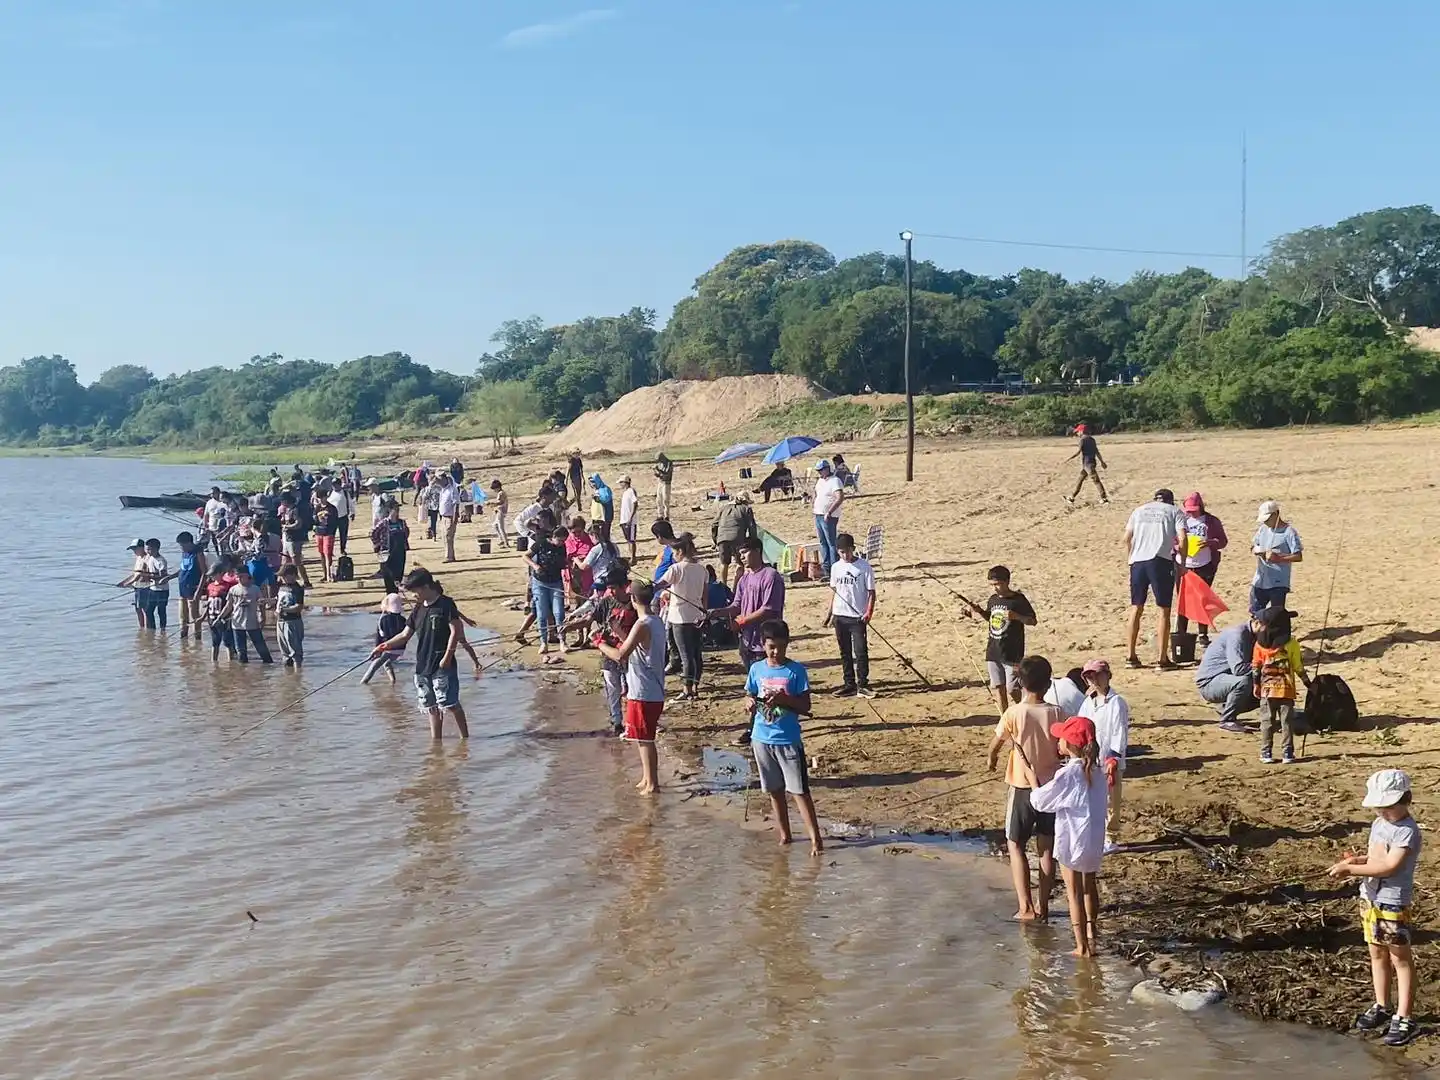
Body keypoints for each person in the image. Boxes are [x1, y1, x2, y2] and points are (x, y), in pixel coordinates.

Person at [1327, 769, 1422, 1047]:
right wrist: (1357, 861)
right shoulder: (1379, 824)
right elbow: (1376, 858)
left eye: (1388, 806)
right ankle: (1382, 1004)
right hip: (1369, 898)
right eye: (1379, 807)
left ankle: (1404, 1016)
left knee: (1399, 958)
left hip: (1392, 901)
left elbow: (1390, 866)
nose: (1383, 812)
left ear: (1405, 800)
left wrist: (1349, 870)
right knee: (1377, 953)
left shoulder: (1407, 830)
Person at [987, 655, 1063, 921]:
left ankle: (1025, 906)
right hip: (1050, 789)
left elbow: (995, 745)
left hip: (1022, 787)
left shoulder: (1014, 712)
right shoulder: (1057, 712)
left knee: (1015, 843)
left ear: (1021, 683)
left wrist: (992, 760)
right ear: (1048, 683)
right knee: (1046, 848)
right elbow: (1062, 747)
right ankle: (1043, 907)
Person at [1029, 714, 1107, 957]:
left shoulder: (1068, 774)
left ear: (1071, 744)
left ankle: (1082, 946)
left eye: (1061, 738)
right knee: (1089, 886)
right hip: (1094, 841)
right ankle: (1092, 934)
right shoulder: (1098, 772)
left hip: (1072, 842)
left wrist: (1033, 779)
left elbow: (1040, 802)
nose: (1057, 742)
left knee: (1073, 893)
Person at [746, 619, 823, 856]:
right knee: (774, 791)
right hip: (761, 738)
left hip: (788, 740)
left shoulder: (796, 671)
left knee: (799, 791)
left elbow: (805, 705)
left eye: (780, 647)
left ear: (787, 645)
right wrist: (748, 702)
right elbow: (749, 692)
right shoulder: (756, 669)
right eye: (771, 647)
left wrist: (784, 700)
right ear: (762, 645)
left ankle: (816, 841)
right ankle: (785, 835)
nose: (776, 652)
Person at [370, 568, 470, 739]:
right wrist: (384, 646)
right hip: (423, 664)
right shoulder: (418, 608)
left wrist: (448, 656)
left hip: (442, 663)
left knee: (449, 703)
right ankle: (436, 742)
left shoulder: (446, 604)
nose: (413, 595)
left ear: (425, 587)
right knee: (430, 706)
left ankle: (465, 738)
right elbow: (404, 635)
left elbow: (456, 630)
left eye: (414, 591)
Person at [710, 536, 786, 746]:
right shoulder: (743, 579)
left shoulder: (771, 576)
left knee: (768, 687)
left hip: (767, 643)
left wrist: (741, 621)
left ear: (756, 551)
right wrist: (716, 613)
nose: (741, 557)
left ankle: (761, 727)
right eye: (739, 554)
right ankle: (757, 726)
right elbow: (736, 604)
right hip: (746, 641)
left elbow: (768, 609)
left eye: (744, 552)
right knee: (753, 688)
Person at [597, 581, 666, 794]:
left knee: (645, 740)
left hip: (644, 691)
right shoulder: (655, 621)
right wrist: (617, 631)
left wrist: (599, 643)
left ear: (634, 599)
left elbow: (620, 655)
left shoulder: (642, 624)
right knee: (640, 737)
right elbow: (636, 646)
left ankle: (652, 784)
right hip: (648, 690)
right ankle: (646, 779)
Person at [565, 567, 635, 734]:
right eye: (608, 588)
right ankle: (617, 723)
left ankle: (633, 723)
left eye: (613, 588)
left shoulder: (635, 603)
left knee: (632, 690)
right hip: (609, 652)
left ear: (624, 586)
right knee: (612, 689)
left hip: (630, 654)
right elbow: (589, 619)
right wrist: (569, 627)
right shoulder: (606, 601)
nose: (610, 591)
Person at [965, 565, 1036, 715]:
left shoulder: (1018, 599)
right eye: (992, 585)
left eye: (998, 584)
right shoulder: (993, 599)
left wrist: (1017, 616)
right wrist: (979, 612)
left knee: (1013, 689)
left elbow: (1032, 621)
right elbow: (991, 619)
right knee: (999, 688)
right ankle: (1004, 718)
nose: (995, 588)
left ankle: (1024, 712)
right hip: (993, 651)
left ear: (1007, 581)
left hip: (1012, 653)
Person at [1124, 488, 1182, 670]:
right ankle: (1162, 659)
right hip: (1160, 561)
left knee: (1136, 608)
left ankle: (1130, 656)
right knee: (1163, 610)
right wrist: (1183, 563)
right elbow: (1183, 538)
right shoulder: (1174, 511)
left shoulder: (1139, 510)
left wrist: (1130, 558)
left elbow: (1126, 538)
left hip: (1137, 562)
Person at [1077, 658, 1130, 852]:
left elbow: (1119, 731)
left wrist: (1114, 757)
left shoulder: (1117, 703)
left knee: (1111, 801)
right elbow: (1081, 726)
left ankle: (1111, 838)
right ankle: (1095, 834)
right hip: (1091, 760)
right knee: (1092, 797)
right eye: (1090, 677)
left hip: (1110, 759)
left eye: (1098, 675)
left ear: (1107, 676)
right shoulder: (1088, 704)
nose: (1094, 680)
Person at [1252, 607, 1309, 764]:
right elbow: (1298, 667)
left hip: (1267, 690)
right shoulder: (1292, 644)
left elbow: (1256, 666)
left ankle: (1266, 753)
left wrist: (1256, 685)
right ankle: (1288, 753)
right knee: (1287, 723)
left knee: (1266, 722)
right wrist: (1308, 683)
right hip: (1286, 690)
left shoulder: (1259, 645)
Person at [1174, 491, 1228, 647]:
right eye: (1188, 509)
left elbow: (1223, 541)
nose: (1191, 512)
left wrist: (1210, 542)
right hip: (1183, 565)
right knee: (1183, 599)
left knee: (1202, 599)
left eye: (1194, 509)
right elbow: (1172, 539)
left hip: (1204, 565)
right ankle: (1181, 632)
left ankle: (1202, 633)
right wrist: (1177, 547)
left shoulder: (1211, 521)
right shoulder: (1181, 519)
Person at [659, 533, 708, 700]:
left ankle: (687, 690)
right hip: (697, 616)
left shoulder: (676, 568)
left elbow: (659, 584)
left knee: (685, 656)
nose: (673, 555)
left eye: (674, 552)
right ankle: (695, 686)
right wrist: (704, 613)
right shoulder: (702, 569)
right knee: (696, 654)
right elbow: (704, 595)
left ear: (680, 551)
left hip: (679, 618)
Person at [1195, 614, 1263, 733]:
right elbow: (1239, 669)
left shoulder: (1256, 635)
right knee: (1244, 682)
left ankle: (1226, 707)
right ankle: (1227, 720)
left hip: (1225, 679)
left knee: (1268, 687)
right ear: (1257, 623)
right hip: (1210, 682)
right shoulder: (1238, 635)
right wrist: (1266, 667)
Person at [829, 532, 876, 699]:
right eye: (841, 552)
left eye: (847, 551)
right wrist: (830, 613)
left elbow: (871, 592)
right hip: (839, 615)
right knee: (845, 652)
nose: (845, 555)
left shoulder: (864, 567)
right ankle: (849, 683)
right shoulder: (835, 567)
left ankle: (863, 684)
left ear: (853, 549)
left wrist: (868, 612)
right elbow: (835, 591)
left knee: (861, 651)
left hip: (857, 617)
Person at [1251, 500, 1303, 615]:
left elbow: (1298, 556)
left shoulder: (1289, 532)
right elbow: (1253, 545)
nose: (1266, 523)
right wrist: (1258, 551)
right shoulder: (1263, 529)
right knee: (1256, 614)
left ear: (1276, 514)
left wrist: (1278, 558)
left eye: (1268, 519)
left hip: (1278, 582)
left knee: (1276, 615)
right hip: (1260, 580)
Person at [526, 524, 568, 663]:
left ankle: (563, 641)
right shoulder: (541, 543)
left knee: (559, 613)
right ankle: (544, 642)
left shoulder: (562, 548)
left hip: (556, 582)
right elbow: (525, 557)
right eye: (560, 540)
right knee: (542, 613)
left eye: (564, 541)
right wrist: (535, 566)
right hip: (540, 583)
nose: (561, 543)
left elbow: (563, 563)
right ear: (553, 537)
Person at [225, 565, 273, 664]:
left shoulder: (255, 589)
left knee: (261, 648)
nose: (239, 578)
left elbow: (261, 603)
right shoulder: (233, 589)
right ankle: (243, 673)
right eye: (237, 576)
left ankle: (269, 667)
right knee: (241, 652)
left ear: (247, 576)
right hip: (237, 624)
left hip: (252, 623)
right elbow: (228, 606)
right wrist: (220, 617)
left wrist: (262, 616)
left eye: (241, 576)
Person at [711, 492, 758, 591]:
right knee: (740, 563)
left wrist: (716, 540)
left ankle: (723, 588)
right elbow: (752, 526)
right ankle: (736, 588)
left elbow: (714, 524)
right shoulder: (746, 509)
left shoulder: (723, 508)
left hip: (722, 538)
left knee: (724, 563)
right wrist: (753, 541)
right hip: (738, 538)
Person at [362, 593, 407, 685]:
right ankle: (393, 682)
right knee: (387, 664)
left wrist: (377, 650)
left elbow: (379, 637)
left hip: (388, 649)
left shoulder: (383, 620)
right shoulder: (403, 619)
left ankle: (363, 682)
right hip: (400, 649)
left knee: (374, 666)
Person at [811, 459, 845, 577]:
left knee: (831, 542)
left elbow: (839, 498)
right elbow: (816, 494)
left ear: (827, 469)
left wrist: (829, 512)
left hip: (828, 516)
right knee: (822, 542)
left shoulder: (835, 481)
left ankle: (834, 568)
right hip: (818, 514)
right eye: (818, 471)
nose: (819, 473)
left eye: (821, 470)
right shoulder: (820, 481)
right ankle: (826, 568)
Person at [174, 531, 208, 639]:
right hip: (182, 588)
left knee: (194, 616)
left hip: (193, 589)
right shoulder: (184, 553)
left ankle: (197, 639)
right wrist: (169, 577)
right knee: (182, 617)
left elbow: (204, 572)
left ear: (189, 543)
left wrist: (199, 590)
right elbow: (182, 569)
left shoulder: (198, 553)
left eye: (182, 545)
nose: (181, 548)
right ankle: (184, 639)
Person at [1063, 423, 1108, 505]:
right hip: (1091, 463)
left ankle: (1104, 498)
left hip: (1087, 464)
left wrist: (1069, 458)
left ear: (1081, 431)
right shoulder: (1092, 439)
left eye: (1078, 432)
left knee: (1096, 481)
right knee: (1080, 480)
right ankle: (1072, 497)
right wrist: (1102, 462)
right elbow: (1097, 452)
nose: (1077, 433)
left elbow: (1078, 452)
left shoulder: (1082, 440)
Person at [372, 498, 410, 594]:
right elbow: (373, 533)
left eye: (398, 508)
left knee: (398, 577)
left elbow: (406, 533)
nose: (397, 510)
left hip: (400, 553)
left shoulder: (402, 523)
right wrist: (378, 544)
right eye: (395, 508)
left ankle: (395, 596)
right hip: (386, 554)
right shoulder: (384, 523)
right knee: (389, 578)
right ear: (389, 510)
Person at [118, 538, 156, 629]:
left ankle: (148, 629)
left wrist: (127, 584)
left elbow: (139, 575)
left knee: (146, 609)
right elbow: (134, 574)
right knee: (138, 609)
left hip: (146, 588)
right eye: (132, 549)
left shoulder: (147, 558)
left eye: (135, 549)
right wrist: (123, 582)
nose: (134, 551)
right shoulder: (138, 558)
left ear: (142, 547)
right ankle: (142, 628)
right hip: (137, 587)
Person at [274, 563, 306, 667]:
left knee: (295, 652)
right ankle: (289, 678)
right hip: (280, 622)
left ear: (292, 575)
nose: (282, 578)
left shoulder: (297, 589)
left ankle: (298, 674)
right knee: (285, 653)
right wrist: (267, 601)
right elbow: (278, 599)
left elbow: (299, 607)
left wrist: (284, 610)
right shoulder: (282, 587)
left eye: (284, 576)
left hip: (293, 622)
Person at [563, 516, 596, 607]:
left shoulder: (590, 540)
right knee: (575, 594)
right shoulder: (567, 540)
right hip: (571, 573)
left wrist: (577, 559)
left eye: (579, 531)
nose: (577, 534)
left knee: (586, 596)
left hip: (586, 573)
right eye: (574, 532)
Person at [205, 568, 236, 661]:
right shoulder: (209, 586)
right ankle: (214, 662)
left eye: (213, 574)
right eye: (211, 575)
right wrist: (203, 616)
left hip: (224, 619)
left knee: (227, 642)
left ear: (220, 573)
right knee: (215, 642)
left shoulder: (227, 586)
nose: (212, 576)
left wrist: (225, 616)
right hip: (211, 617)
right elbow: (208, 601)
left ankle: (231, 663)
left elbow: (230, 603)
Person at [143, 538, 170, 631]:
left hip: (162, 590)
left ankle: (163, 630)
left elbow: (163, 576)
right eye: (147, 549)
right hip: (153, 589)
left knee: (161, 611)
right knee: (148, 610)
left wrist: (150, 577)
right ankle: (152, 630)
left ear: (157, 549)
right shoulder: (150, 558)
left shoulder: (161, 561)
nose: (148, 551)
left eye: (150, 549)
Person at [312, 494, 339, 583]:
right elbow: (314, 520)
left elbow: (335, 521)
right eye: (319, 498)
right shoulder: (317, 508)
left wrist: (332, 532)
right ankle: (325, 574)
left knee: (328, 554)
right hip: (319, 533)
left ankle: (329, 575)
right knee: (322, 554)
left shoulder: (332, 508)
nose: (320, 499)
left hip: (328, 532)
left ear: (325, 497)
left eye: (321, 497)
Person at [437, 474, 460, 563]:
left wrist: (455, 517)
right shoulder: (443, 490)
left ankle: (449, 556)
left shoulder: (452, 490)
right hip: (443, 517)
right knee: (444, 537)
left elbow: (456, 504)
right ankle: (448, 555)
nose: (439, 483)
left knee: (448, 537)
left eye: (440, 481)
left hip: (450, 517)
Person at [327, 481, 354, 557]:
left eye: (335, 485)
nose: (334, 486)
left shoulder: (345, 493)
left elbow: (351, 503)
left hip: (343, 517)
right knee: (331, 535)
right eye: (333, 485)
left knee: (343, 535)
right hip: (332, 518)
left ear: (339, 485)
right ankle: (330, 550)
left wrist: (352, 512)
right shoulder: (330, 493)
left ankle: (342, 549)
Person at [616, 474, 639, 561]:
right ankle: (631, 556)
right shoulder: (626, 492)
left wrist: (630, 518)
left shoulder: (631, 491)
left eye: (621, 483)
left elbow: (635, 504)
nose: (620, 485)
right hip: (624, 519)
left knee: (631, 539)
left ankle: (633, 557)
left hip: (630, 520)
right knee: (628, 539)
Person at [489, 479, 510, 548]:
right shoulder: (501, 493)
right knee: (495, 526)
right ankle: (502, 540)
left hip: (501, 512)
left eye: (494, 489)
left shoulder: (501, 493)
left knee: (501, 528)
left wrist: (492, 503)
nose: (494, 490)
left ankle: (506, 543)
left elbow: (501, 502)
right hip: (499, 511)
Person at [653, 452, 674, 520]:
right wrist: (657, 473)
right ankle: (660, 515)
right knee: (658, 500)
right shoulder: (661, 464)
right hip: (661, 482)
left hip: (666, 483)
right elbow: (661, 474)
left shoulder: (669, 463)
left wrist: (659, 470)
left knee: (665, 500)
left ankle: (666, 515)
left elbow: (667, 473)